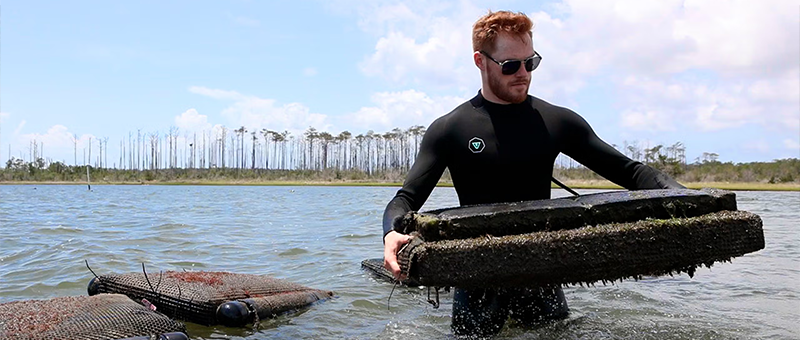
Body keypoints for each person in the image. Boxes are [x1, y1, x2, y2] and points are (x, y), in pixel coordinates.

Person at [380, 10, 685, 337]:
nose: (523, 74)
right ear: (480, 62)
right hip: (476, 290)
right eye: (510, 65)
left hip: (543, 286)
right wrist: (390, 233)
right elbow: (406, 200)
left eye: (531, 63)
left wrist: (687, 198)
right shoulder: (450, 129)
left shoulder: (556, 122)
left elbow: (633, 173)